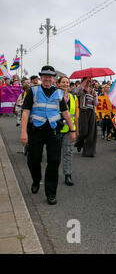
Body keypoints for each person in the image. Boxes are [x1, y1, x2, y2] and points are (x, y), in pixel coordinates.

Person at [20, 66, 76, 205]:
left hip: (53, 131)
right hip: (36, 131)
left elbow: (65, 113)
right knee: (33, 160)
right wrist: (23, 131)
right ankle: (36, 179)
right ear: (41, 77)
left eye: (50, 76)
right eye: (45, 76)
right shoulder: (33, 91)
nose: (47, 78)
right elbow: (26, 112)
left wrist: (72, 130)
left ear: (54, 79)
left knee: (54, 161)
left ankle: (51, 193)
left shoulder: (58, 93)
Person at [57, 76, 78, 186]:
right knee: (55, 154)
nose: (65, 84)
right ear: (58, 84)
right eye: (63, 82)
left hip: (69, 130)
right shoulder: (54, 96)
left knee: (68, 152)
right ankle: (54, 173)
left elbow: (76, 116)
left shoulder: (74, 98)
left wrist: (75, 130)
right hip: (56, 129)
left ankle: (68, 175)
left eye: (67, 82)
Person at [74, 77, 98, 157]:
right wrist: (82, 86)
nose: (88, 83)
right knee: (84, 131)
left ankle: (89, 151)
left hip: (91, 112)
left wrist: (95, 97)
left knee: (91, 132)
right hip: (83, 111)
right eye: (87, 81)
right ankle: (79, 143)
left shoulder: (93, 91)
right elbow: (76, 94)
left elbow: (96, 103)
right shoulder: (80, 89)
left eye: (90, 81)